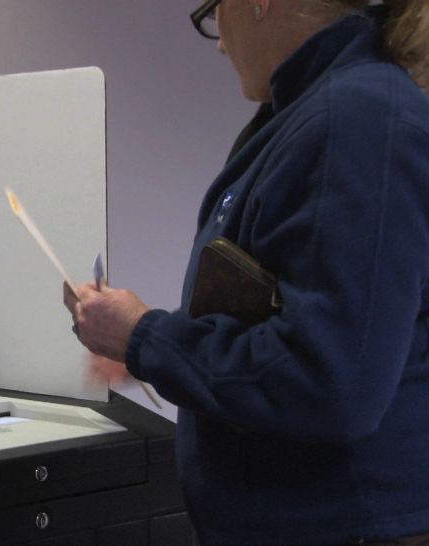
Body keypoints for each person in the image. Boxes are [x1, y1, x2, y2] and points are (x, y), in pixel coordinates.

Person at [64, 1, 429, 544]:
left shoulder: (357, 117)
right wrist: (144, 343)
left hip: (343, 526)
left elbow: (332, 381)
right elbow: (290, 317)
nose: (218, 42)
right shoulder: (312, 114)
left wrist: (148, 337)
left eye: (214, 12)